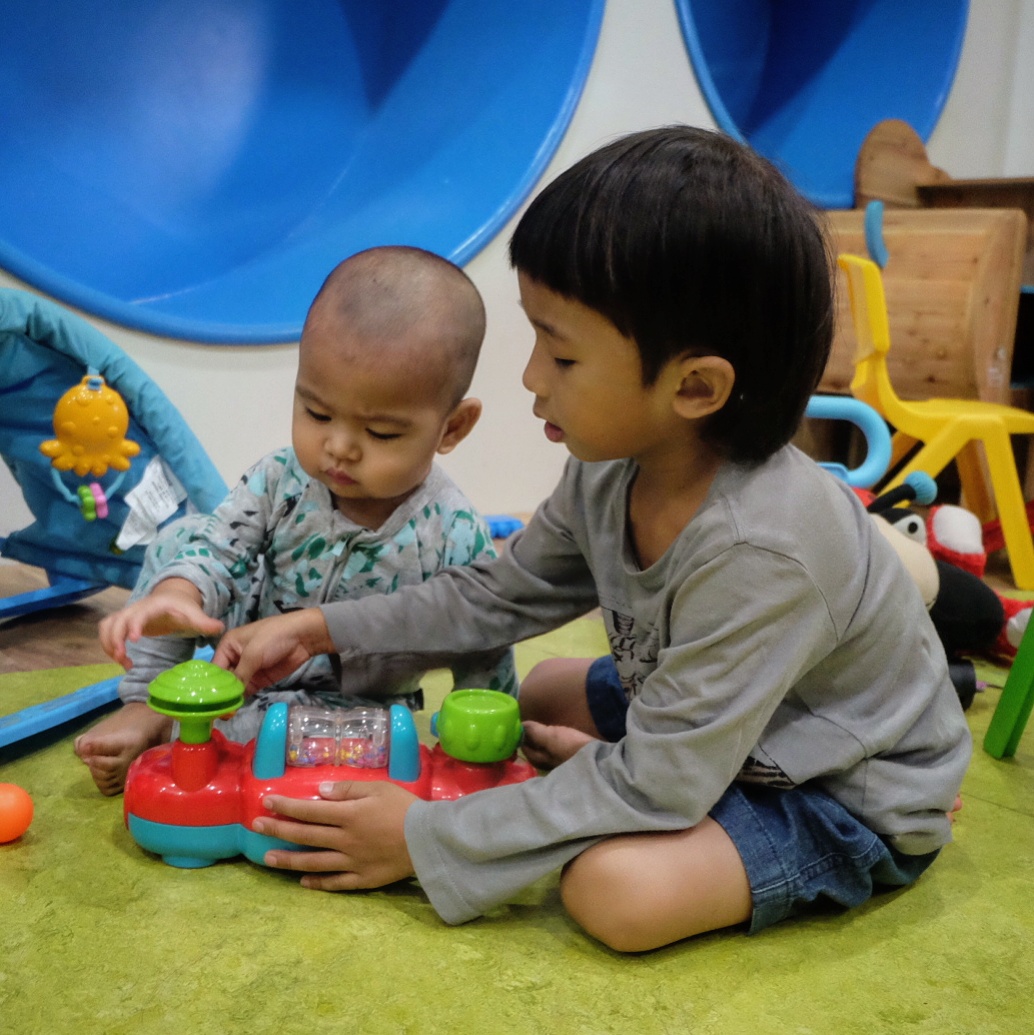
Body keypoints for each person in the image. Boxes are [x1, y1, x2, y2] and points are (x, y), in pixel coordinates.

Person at [210, 127, 972, 953]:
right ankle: (638, 775)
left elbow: (660, 785)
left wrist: (429, 835)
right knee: (536, 696)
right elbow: (497, 597)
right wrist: (321, 628)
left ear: (695, 387)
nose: (531, 377)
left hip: (834, 786)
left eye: (562, 356)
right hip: (720, 726)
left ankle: (678, 802)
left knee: (613, 890)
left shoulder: (764, 552)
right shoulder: (611, 467)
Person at [75, 246, 517, 796]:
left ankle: (194, 731)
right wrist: (179, 594)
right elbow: (219, 551)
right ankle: (151, 702)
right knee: (181, 540)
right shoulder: (279, 479)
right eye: (316, 412)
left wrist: (486, 751)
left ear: (452, 428)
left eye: (380, 433)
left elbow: (485, 640)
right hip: (242, 662)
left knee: (310, 746)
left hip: (355, 707)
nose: (339, 447)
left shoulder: (453, 532)